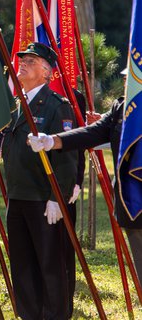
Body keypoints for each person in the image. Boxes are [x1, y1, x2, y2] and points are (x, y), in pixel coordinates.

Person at [28, 67, 142, 276]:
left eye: (131, 78)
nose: (126, 82)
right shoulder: (121, 107)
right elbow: (94, 132)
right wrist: (53, 140)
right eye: (125, 78)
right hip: (132, 198)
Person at [0, 42, 78, 319]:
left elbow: (68, 156)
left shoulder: (58, 106)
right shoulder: (16, 104)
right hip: (18, 196)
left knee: (50, 266)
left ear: (47, 72)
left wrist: (58, 197)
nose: (22, 63)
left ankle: (54, 315)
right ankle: (29, 314)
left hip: (43, 200)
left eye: (31, 61)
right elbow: (5, 139)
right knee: (22, 265)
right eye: (22, 59)